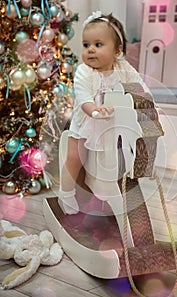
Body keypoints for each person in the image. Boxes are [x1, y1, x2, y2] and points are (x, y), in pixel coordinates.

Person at [59, 11, 151, 214]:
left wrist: (149, 103)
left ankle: (112, 191)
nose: (90, 50)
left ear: (117, 51)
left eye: (98, 45)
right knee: (75, 157)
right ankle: (65, 193)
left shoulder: (123, 67)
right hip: (86, 123)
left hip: (113, 124)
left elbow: (139, 87)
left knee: (122, 154)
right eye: (86, 45)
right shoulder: (84, 71)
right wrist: (94, 110)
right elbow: (84, 99)